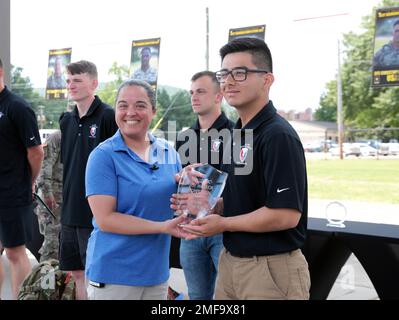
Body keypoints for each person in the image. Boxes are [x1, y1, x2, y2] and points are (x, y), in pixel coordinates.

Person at [179, 38, 310, 300]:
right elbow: (245, 198)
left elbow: (285, 215)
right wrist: (211, 206)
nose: (228, 81)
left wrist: (223, 223)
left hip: (270, 269)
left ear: (267, 79)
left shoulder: (277, 135)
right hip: (231, 263)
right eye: (224, 74)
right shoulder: (239, 133)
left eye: (240, 73)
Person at [85, 79, 186, 300]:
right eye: (123, 105)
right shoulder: (103, 156)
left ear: (153, 111)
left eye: (140, 105)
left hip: (156, 274)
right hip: (114, 275)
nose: (131, 112)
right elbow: (105, 219)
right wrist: (162, 227)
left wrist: (194, 187)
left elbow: (178, 206)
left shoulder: (169, 153)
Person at [59, 60, 118, 300]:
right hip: (69, 212)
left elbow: (119, 162)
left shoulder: (107, 117)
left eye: (78, 80)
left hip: (94, 212)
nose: (71, 85)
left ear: (94, 83)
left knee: (97, 275)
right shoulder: (66, 120)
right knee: (76, 273)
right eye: (69, 81)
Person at [173, 71, 234, 300]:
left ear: (218, 96)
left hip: (221, 230)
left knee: (227, 297)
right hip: (190, 230)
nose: (194, 97)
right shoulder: (184, 137)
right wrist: (178, 177)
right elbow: (177, 179)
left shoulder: (235, 133)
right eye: (191, 92)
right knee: (198, 296)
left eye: (201, 91)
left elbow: (240, 184)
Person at [0, 58, 44, 299]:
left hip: (12, 193)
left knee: (15, 253)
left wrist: (28, 181)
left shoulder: (17, 107)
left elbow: (36, 152)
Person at [35, 129, 62, 262]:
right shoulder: (57, 138)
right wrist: (48, 194)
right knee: (52, 246)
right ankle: (47, 280)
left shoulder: (79, 137)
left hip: (67, 200)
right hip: (53, 201)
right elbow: (44, 167)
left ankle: (62, 281)